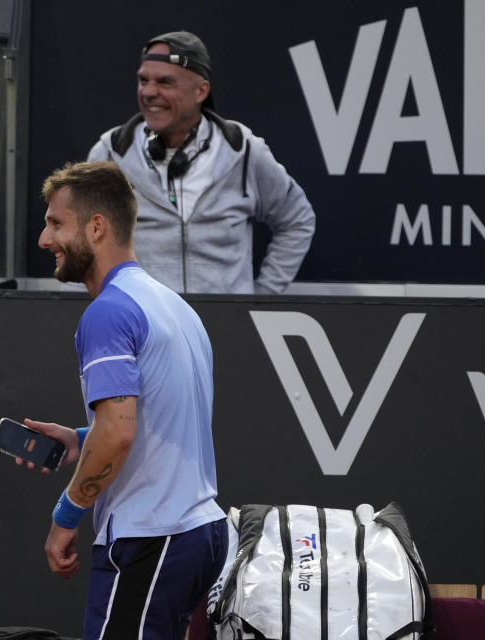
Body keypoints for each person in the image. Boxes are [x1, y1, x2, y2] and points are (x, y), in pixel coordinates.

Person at [22, 161, 228, 639]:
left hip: (152, 537)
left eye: (56, 223)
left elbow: (118, 433)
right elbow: (161, 418)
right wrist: (79, 439)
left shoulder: (108, 313)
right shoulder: (174, 306)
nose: (44, 240)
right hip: (200, 533)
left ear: (96, 228)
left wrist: (65, 517)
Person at [87, 30, 315, 294]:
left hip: (225, 329)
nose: (149, 92)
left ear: (201, 91)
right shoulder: (109, 154)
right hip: (142, 330)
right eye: (143, 80)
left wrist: (260, 300)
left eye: (165, 82)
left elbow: (298, 219)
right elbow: (77, 239)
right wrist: (97, 308)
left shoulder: (243, 149)